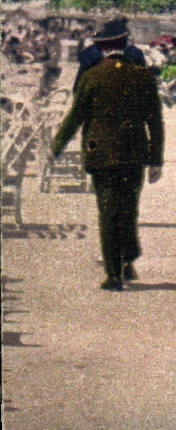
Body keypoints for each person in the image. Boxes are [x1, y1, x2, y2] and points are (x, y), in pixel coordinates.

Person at [49, 18, 163, 291]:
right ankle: (127, 261)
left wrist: (56, 146)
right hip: (135, 152)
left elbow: (75, 117)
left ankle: (114, 274)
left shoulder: (92, 76)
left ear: (102, 48)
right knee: (128, 210)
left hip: (102, 153)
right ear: (125, 44)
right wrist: (156, 159)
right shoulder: (142, 75)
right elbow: (155, 121)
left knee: (108, 212)